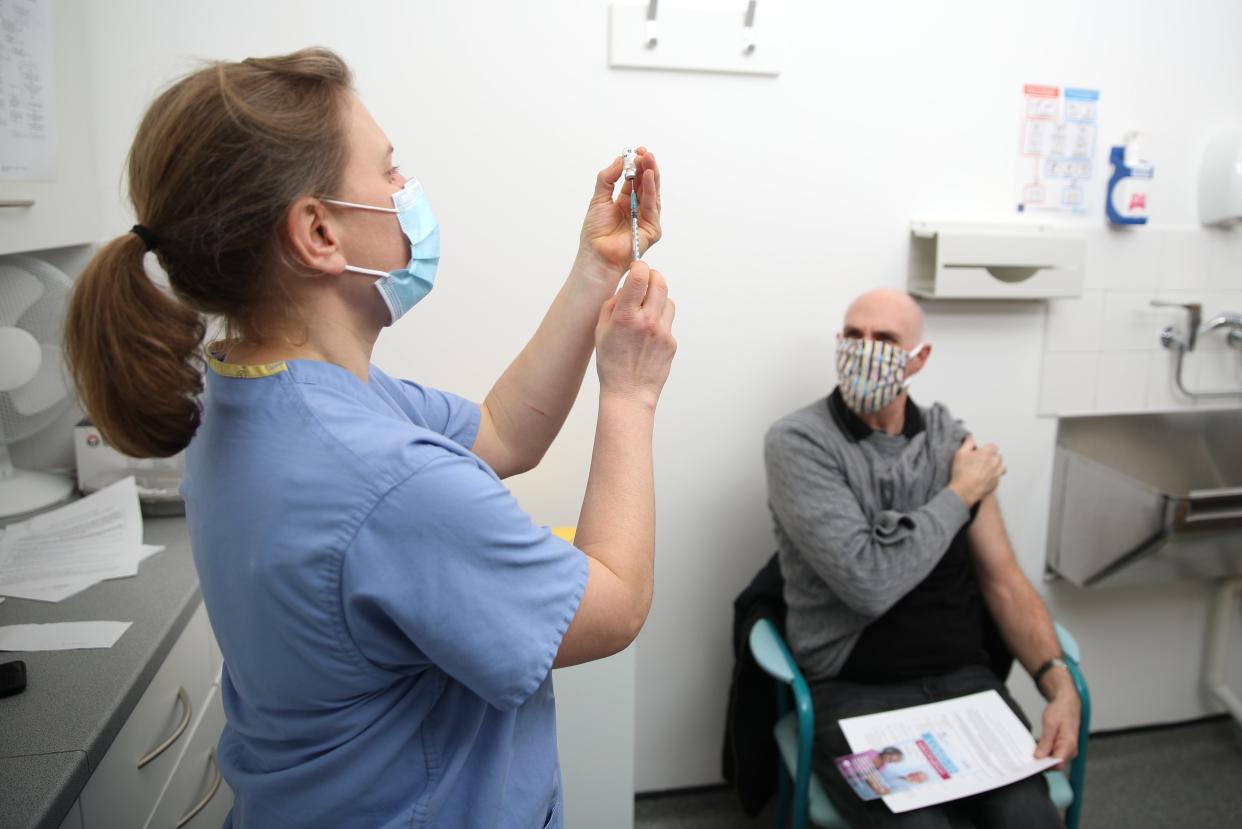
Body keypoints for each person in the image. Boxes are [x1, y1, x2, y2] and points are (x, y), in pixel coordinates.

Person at [64, 48, 676, 828]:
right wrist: (630, 395)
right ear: (318, 231)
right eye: (389, 173)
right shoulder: (383, 480)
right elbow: (614, 606)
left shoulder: (260, 393)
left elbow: (502, 432)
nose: (406, 194)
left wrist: (597, 267)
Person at [763, 288, 1079, 828]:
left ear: (918, 359)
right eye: (853, 336)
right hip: (855, 691)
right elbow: (868, 581)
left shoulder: (951, 443)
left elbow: (1004, 582)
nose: (865, 350)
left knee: (1030, 819)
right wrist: (959, 495)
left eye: (884, 339)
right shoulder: (799, 443)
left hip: (963, 685)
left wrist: (1059, 683)